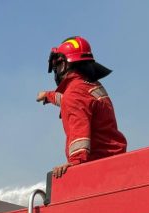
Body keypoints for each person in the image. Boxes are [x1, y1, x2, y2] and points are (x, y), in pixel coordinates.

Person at [36, 36, 127, 179]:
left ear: (65, 64)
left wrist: (75, 162)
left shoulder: (75, 93)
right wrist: (48, 96)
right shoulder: (88, 85)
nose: (56, 70)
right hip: (115, 160)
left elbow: (78, 125)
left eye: (57, 66)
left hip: (98, 166)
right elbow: (71, 100)